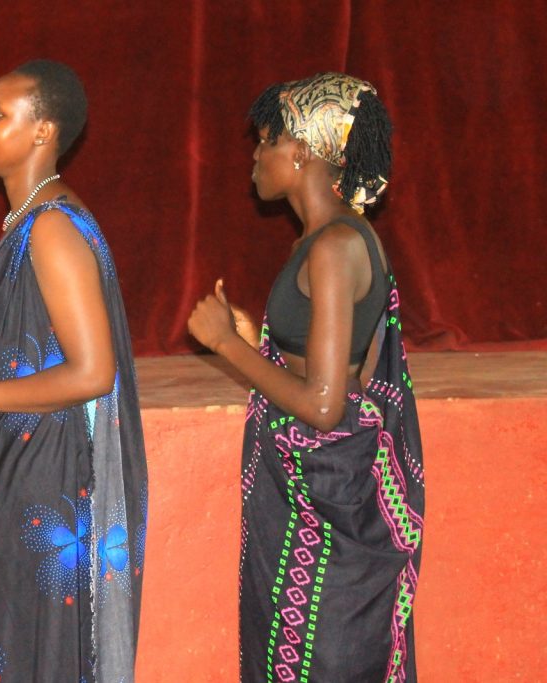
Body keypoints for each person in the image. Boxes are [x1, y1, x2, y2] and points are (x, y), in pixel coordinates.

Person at [0, 60, 148, 682]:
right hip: (26, 463)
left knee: (26, 648)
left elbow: (93, 373)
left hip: (48, 473)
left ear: (43, 131)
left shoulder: (51, 229)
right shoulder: (36, 221)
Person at [187, 73, 425, 681]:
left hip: (332, 520)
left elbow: (323, 406)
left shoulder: (334, 247)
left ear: (300, 153)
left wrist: (224, 346)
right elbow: (323, 365)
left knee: (326, 662)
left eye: (267, 141)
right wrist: (253, 343)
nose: (255, 156)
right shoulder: (326, 239)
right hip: (315, 507)